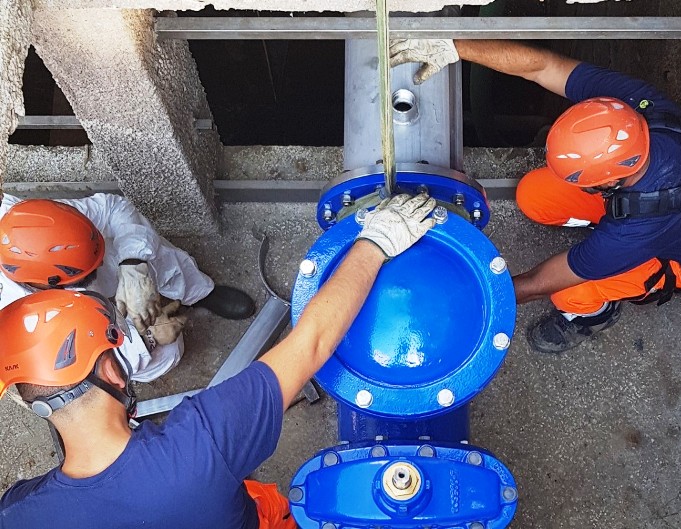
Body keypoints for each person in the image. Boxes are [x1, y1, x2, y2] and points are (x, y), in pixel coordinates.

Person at [0, 193, 436, 528]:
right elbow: (312, 343)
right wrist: (376, 243)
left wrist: (134, 263)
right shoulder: (201, 443)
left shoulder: (19, 513)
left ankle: (201, 292)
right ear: (114, 369)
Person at [390, 39, 681, 353]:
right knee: (534, 193)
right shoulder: (639, 107)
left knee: (569, 293)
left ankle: (592, 314)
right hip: (678, 195)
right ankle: (595, 224)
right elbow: (544, 66)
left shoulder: (639, 227)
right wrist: (455, 47)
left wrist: (470, 295)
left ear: (608, 183)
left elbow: (538, 284)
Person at [0, 193, 255, 382]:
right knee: (168, 352)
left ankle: (200, 294)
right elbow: (73, 370)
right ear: (41, 284)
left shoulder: (29, 219)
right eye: (86, 275)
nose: (97, 273)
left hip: (97, 265)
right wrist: (148, 339)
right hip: (74, 326)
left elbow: (113, 208)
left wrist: (133, 264)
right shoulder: (16, 320)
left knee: (147, 250)